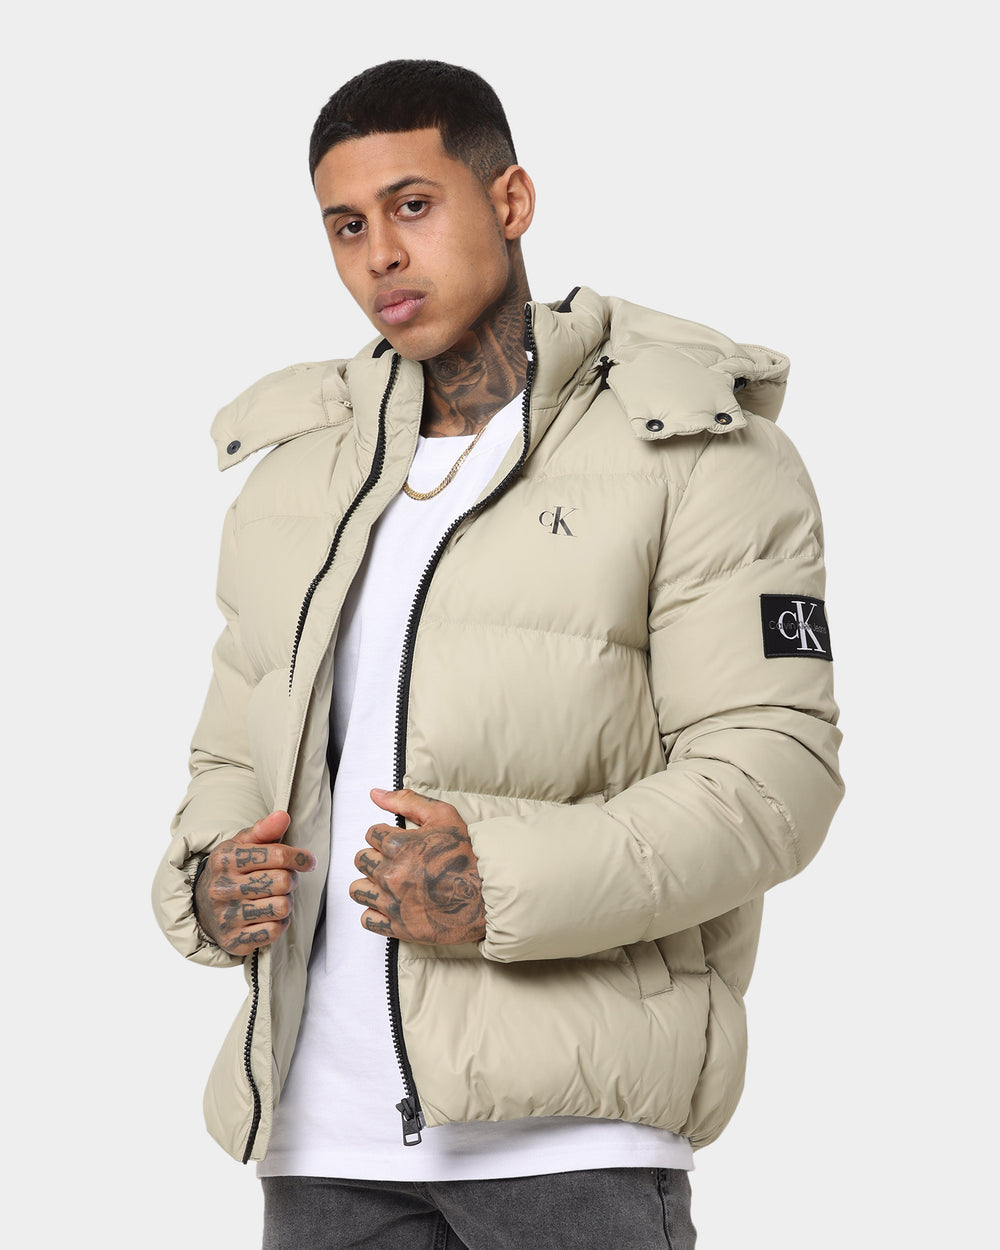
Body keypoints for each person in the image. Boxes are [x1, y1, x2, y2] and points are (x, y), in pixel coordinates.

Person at [152, 58, 844, 1250]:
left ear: (509, 199)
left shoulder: (694, 448)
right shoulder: (296, 477)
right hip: (317, 1143)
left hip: (570, 1141)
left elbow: (772, 780)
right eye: (346, 225)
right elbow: (229, 753)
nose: (381, 254)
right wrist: (215, 878)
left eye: (413, 205)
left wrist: (499, 882)